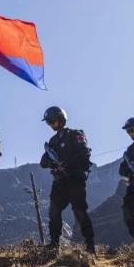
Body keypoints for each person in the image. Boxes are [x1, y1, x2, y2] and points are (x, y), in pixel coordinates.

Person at [39, 106, 95, 254]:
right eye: (49, 123)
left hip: (75, 179)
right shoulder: (53, 141)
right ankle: (54, 245)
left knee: (79, 211)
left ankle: (90, 246)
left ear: (61, 119)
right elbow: (43, 162)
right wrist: (53, 163)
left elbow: (83, 154)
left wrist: (66, 163)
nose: (51, 125)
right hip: (60, 182)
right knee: (54, 211)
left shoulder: (75, 134)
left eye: (52, 121)